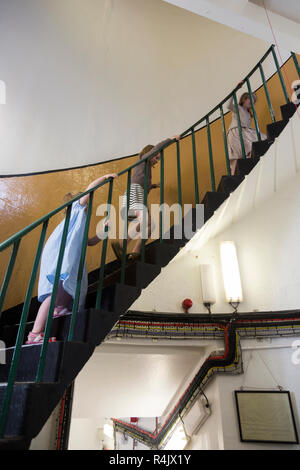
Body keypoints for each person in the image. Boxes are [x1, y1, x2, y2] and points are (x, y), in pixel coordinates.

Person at [26, 172, 118, 344]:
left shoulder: (78, 224)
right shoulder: (76, 209)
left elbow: (89, 242)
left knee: (72, 282)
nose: (87, 204)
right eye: (86, 201)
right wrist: (104, 177)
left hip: (65, 253)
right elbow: (89, 190)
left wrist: (103, 231)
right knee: (52, 293)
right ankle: (34, 334)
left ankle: (60, 308)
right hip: (57, 253)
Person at [111, 135, 180, 262]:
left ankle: (125, 246)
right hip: (135, 193)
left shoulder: (145, 169)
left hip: (138, 194)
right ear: (149, 153)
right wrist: (171, 139)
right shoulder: (143, 159)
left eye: (158, 159)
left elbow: (141, 182)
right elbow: (158, 147)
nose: (157, 161)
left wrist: (152, 186)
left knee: (148, 225)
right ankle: (131, 249)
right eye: (156, 157)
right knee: (148, 224)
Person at [227, 83, 267, 175]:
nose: (253, 101)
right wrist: (236, 88)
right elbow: (228, 105)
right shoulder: (238, 108)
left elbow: (248, 127)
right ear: (244, 99)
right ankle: (235, 173)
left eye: (254, 101)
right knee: (240, 153)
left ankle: (249, 161)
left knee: (262, 138)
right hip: (237, 132)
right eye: (251, 98)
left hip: (245, 132)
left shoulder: (249, 114)